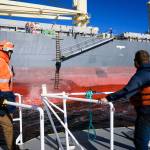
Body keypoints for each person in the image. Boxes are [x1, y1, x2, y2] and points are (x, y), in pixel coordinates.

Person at [101, 50, 150, 150]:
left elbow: (127, 91)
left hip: (146, 112)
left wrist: (108, 98)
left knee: (140, 140)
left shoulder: (141, 75)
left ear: (136, 62)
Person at [0, 40, 16, 150]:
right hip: (3, 100)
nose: (11, 54)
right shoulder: (1, 63)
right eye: (11, 51)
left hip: (5, 98)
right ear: (6, 51)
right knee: (8, 127)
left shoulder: (4, 63)